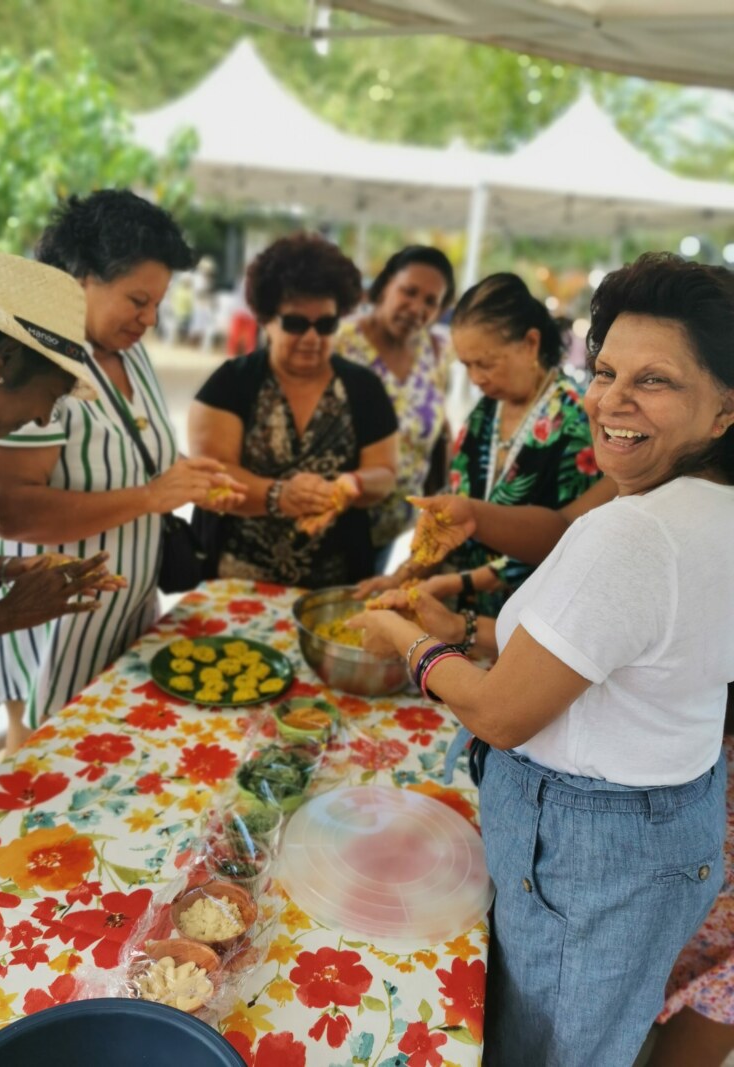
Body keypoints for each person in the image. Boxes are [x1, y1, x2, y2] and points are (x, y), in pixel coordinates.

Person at [351, 251, 734, 1066]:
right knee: (591, 1035)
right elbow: (617, 650)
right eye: (605, 371)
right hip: (656, 832)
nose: (614, 400)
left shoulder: (638, 530)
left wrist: (404, 638)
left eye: (655, 381)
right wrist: (465, 629)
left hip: (595, 847)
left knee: (550, 1048)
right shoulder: (705, 511)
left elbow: (499, 712)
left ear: (724, 409)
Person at [0, 191, 244, 751]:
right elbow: (8, 509)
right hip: (51, 614)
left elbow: (127, 459)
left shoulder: (127, 350)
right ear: (81, 276)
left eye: (158, 302)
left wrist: (188, 476)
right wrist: (151, 496)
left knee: (102, 753)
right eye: (137, 299)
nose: (150, 318)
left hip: (121, 610)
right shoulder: (37, 357)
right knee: (42, 758)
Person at [357, 271, 600, 616]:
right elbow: (455, 512)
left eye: (485, 363)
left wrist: (459, 582)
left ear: (530, 343)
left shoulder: (576, 421)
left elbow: (569, 544)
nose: (476, 378)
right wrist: (403, 574)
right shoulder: (487, 410)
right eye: (467, 365)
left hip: (526, 620)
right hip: (456, 610)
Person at [188, 232, 399, 588]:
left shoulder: (364, 388)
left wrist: (352, 484)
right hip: (236, 579)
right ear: (267, 319)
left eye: (326, 325)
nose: (312, 338)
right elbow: (212, 478)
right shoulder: (231, 384)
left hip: (333, 585)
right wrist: (278, 496)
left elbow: (385, 474)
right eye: (295, 324)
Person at [0, 249, 117, 657]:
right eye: (50, 397)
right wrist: (9, 614)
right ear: (5, 359)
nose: (41, 418)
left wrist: (1, 568)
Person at [336, 245, 455, 568]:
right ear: (386, 284)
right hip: (334, 520)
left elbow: (439, 428)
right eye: (409, 291)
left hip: (391, 528)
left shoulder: (437, 352)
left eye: (431, 302)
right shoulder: (339, 341)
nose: (417, 307)